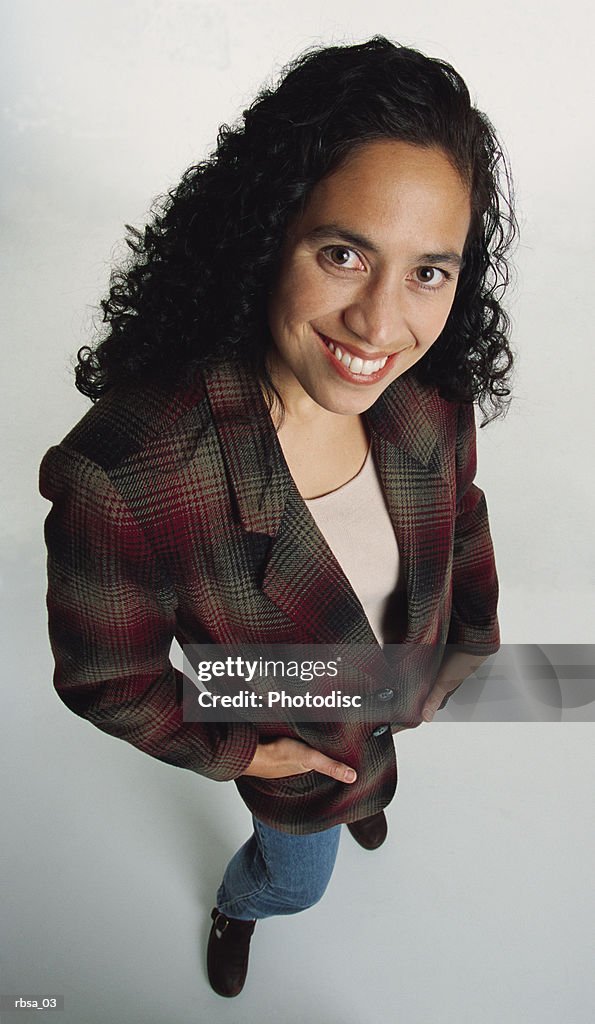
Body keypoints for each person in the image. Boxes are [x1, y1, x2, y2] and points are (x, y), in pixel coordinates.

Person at [39, 36, 516, 998]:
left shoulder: (429, 399)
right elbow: (109, 679)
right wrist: (245, 749)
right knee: (295, 886)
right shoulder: (125, 473)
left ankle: (364, 786)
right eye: (342, 253)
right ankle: (241, 902)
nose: (382, 329)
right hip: (290, 767)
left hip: (386, 705)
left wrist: (469, 642)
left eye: (429, 270)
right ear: (265, 234)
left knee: (370, 776)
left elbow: (460, 516)